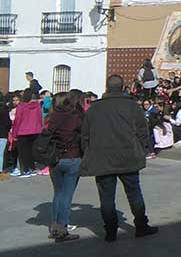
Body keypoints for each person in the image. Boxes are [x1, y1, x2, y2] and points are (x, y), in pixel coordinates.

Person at [80, 75, 158, 242]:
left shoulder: (94, 108)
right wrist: (141, 150)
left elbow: (85, 135)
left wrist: (89, 152)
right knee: (134, 193)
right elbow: (143, 132)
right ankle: (141, 226)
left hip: (102, 158)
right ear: (123, 87)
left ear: (106, 88)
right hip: (128, 156)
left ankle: (110, 231)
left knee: (107, 197)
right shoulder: (132, 106)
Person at [44, 91, 84, 242]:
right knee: (67, 195)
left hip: (54, 159)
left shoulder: (51, 118)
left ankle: (55, 226)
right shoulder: (75, 117)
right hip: (72, 157)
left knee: (58, 193)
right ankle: (62, 228)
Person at [11, 90, 43, 177]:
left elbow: (18, 120)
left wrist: (14, 134)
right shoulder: (37, 106)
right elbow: (40, 119)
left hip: (23, 131)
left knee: (23, 152)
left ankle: (25, 169)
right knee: (32, 151)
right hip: (35, 131)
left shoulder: (21, 106)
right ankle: (32, 168)